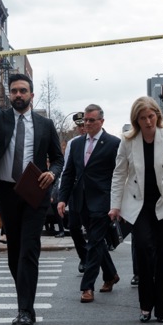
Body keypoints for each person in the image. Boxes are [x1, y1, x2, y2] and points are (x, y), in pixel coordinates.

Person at [0, 73, 63, 325]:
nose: (18, 94)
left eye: (23, 90)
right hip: (7, 193)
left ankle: (25, 311)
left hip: (35, 192)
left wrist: (53, 173)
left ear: (31, 95)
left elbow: (58, 158)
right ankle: (26, 304)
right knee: (15, 252)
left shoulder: (45, 124)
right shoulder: (1, 117)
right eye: (14, 91)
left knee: (29, 249)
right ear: (10, 94)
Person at [109, 96, 163, 323]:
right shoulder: (127, 141)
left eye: (151, 116)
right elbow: (119, 174)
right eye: (143, 118)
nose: (148, 122)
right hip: (139, 204)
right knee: (144, 249)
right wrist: (115, 206)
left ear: (157, 115)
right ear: (136, 120)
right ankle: (146, 305)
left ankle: (162, 309)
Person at [58, 104, 121, 303]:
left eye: (91, 120)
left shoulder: (113, 143)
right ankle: (110, 274)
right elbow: (69, 173)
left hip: (103, 201)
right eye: (85, 120)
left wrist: (117, 203)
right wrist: (62, 198)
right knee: (97, 241)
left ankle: (87, 287)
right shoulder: (76, 144)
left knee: (94, 241)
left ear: (101, 121)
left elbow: (120, 175)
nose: (87, 124)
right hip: (81, 201)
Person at [63, 112, 89, 272]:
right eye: (79, 126)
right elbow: (67, 170)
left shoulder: (98, 142)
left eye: (84, 125)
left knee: (93, 229)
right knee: (73, 227)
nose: (82, 128)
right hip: (76, 191)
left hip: (92, 192)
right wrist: (62, 196)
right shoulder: (73, 144)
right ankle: (83, 256)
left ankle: (96, 260)